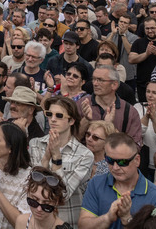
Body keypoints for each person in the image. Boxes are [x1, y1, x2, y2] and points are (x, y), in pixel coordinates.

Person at [80, 133, 156, 229]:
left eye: (122, 162)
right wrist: (108, 217)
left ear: (137, 160)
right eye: (109, 160)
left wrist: (127, 219)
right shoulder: (96, 183)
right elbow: (83, 225)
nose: (115, 167)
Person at [29, 95, 93, 225]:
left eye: (59, 116)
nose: (52, 119)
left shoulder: (85, 155)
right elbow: (32, 186)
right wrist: (46, 158)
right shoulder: (35, 144)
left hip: (66, 222)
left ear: (71, 121)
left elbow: (63, 195)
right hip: (37, 220)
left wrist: (57, 159)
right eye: (49, 114)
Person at [78, 65, 142, 145]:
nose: (95, 83)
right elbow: (72, 139)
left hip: (114, 157)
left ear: (114, 85)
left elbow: (135, 146)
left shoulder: (129, 111)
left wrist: (111, 128)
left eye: (100, 80)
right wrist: (86, 119)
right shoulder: (82, 104)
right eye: (94, 79)